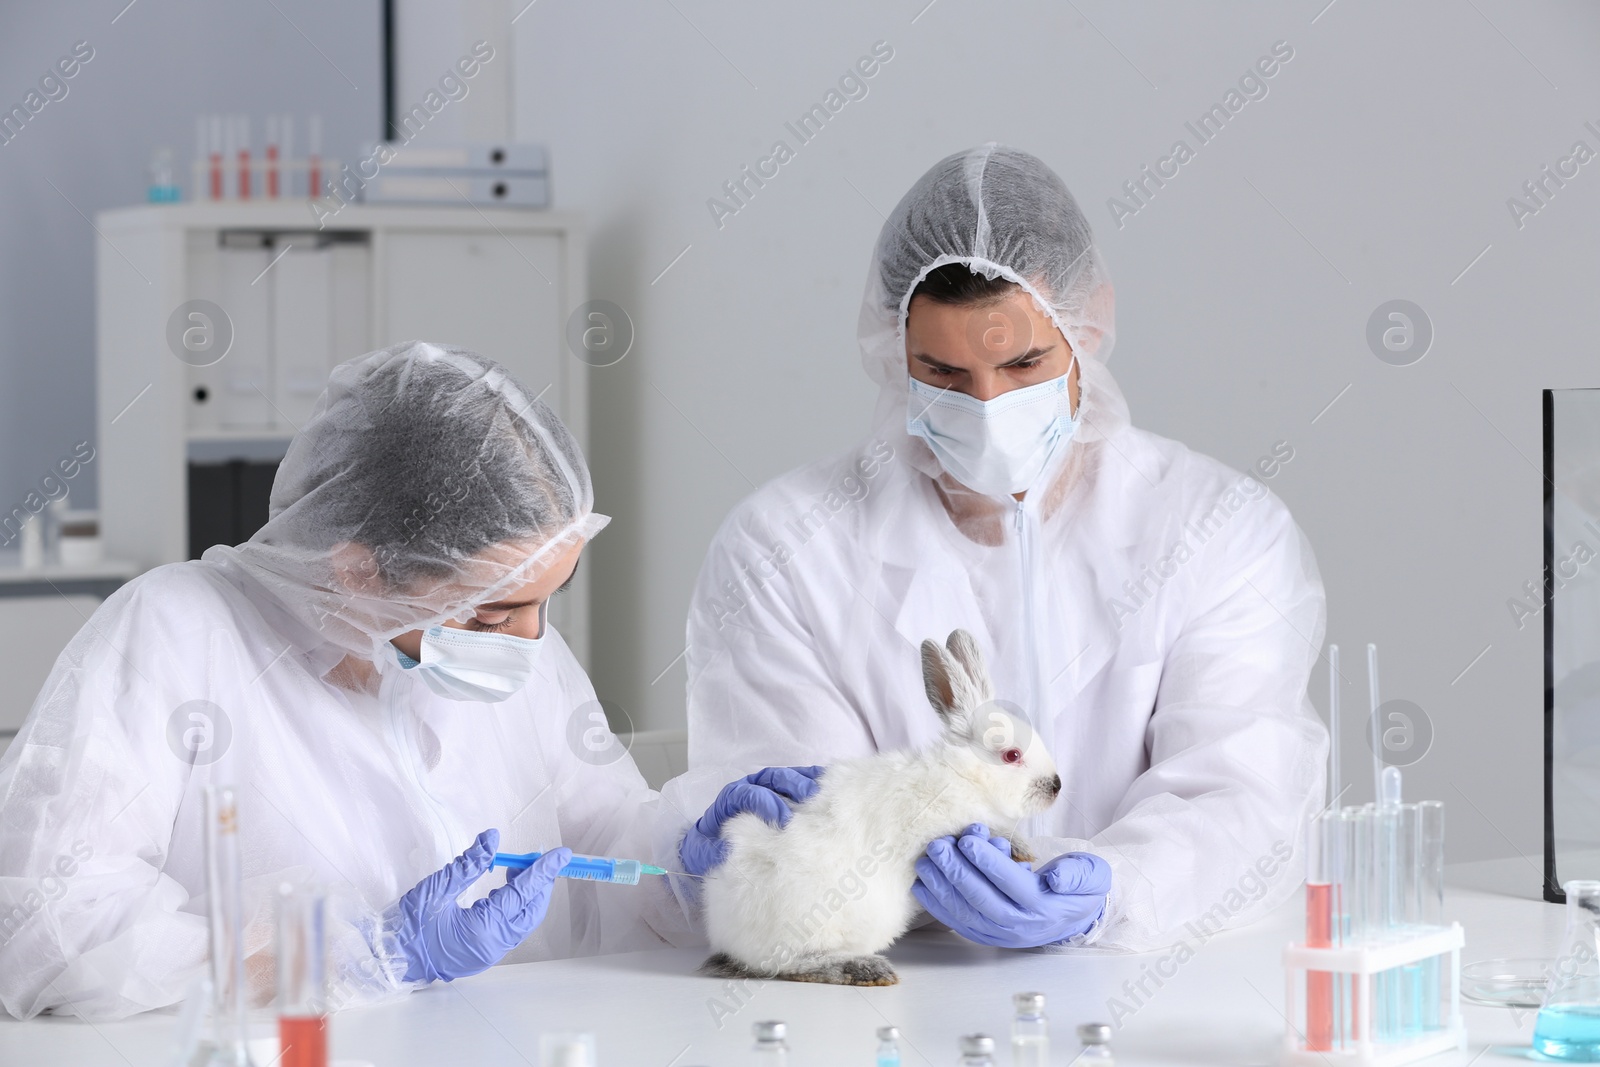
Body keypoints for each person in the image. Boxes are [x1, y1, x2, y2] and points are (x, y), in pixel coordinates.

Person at [0, 342, 810, 1020]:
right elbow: (43, 926)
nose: (532, 643)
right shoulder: (178, 633)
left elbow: (604, 858)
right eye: (492, 617)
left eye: (546, 602)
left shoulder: (521, 656)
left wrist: (694, 862)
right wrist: (359, 956)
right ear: (357, 572)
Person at [681, 145, 1328, 952]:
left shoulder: (1218, 528)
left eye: (1023, 362)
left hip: (1156, 984)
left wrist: (1111, 894)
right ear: (892, 352)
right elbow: (816, 839)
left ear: (1090, 328)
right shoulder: (785, 548)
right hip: (895, 1002)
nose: (988, 407)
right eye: (943, 373)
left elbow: (1242, 798)